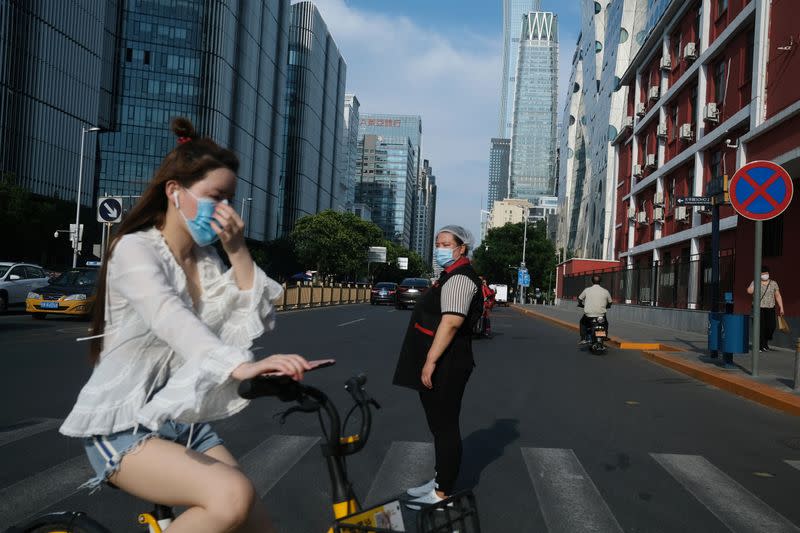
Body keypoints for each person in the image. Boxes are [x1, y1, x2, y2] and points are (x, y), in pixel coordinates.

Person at [59, 117, 312, 533]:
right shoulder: (135, 249)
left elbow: (257, 317)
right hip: (123, 424)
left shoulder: (206, 259)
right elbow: (167, 316)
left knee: (254, 521)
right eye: (216, 196)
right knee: (231, 496)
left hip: (182, 422)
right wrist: (238, 366)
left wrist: (236, 248)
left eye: (230, 198)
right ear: (175, 192)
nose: (225, 209)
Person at [392, 225, 484, 510]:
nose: (440, 248)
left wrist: (430, 362)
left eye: (446, 244)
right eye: (438, 243)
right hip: (442, 359)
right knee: (438, 425)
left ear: (462, 248)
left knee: (445, 427)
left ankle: (444, 493)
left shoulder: (459, 279)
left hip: (448, 362)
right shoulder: (449, 276)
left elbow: (452, 322)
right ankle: (440, 480)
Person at [747, 265, 785, 351]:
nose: (765, 275)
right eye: (763, 273)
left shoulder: (773, 283)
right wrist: (755, 283)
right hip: (758, 308)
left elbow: (778, 295)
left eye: (766, 273)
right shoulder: (755, 282)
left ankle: (765, 342)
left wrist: (781, 307)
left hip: (770, 307)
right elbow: (749, 291)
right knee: (760, 327)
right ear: (760, 274)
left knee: (771, 326)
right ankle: (760, 346)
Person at [577, 275, 613, 344]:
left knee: (582, 323)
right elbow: (610, 302)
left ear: (592, 281)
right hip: (601, 315)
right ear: (600, 282)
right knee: (604, 323)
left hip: (589, 315)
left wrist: (581, 304)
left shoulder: (587, 290)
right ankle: (604, 336)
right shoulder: (605, 291)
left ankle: (583, 338)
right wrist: (607, 306)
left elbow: (579, 299)